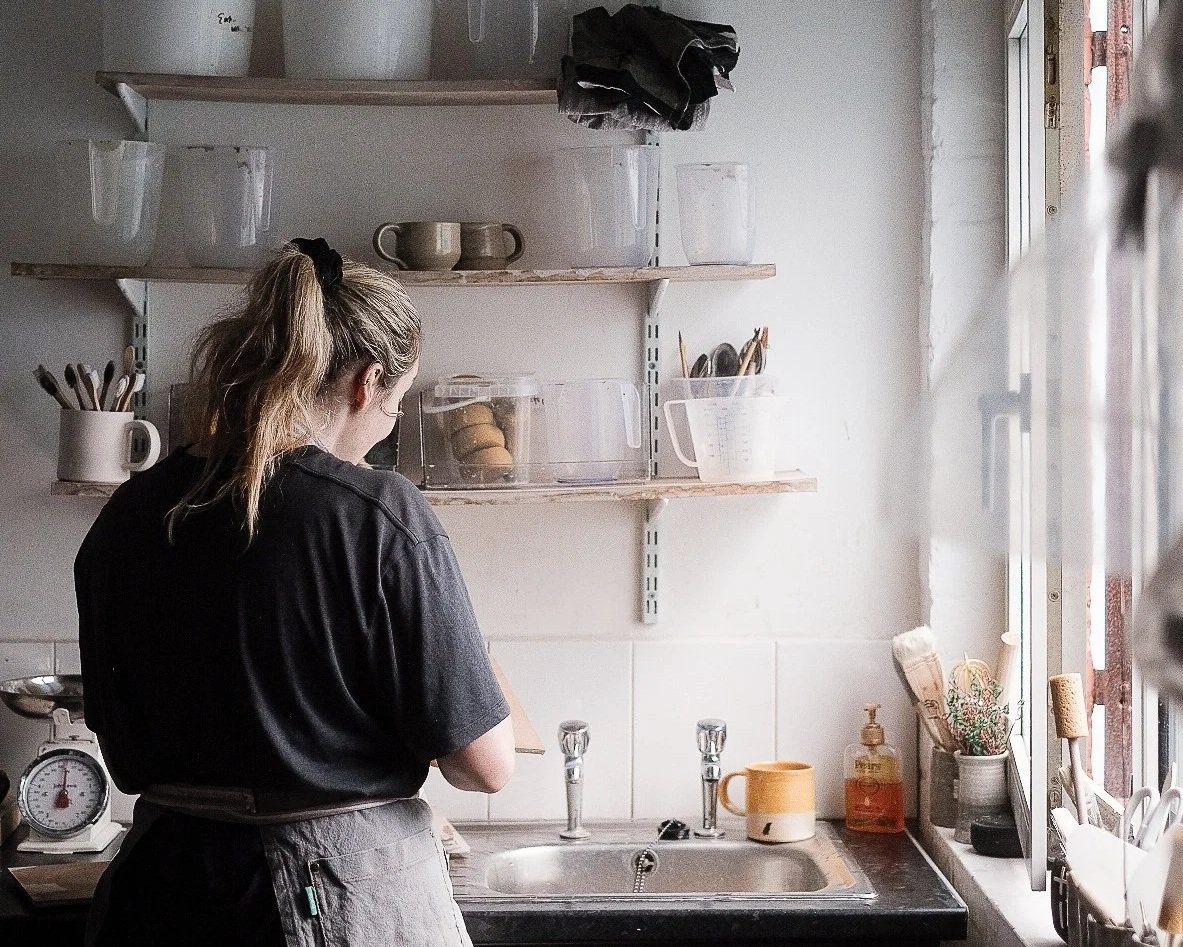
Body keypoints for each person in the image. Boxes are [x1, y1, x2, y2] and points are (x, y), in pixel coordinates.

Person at [75, 238, 515, 947]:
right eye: (395, 406)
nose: (382, 429)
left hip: (160, 893)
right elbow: (484, 764)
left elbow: (115, 728)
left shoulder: (127, 515)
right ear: (366, 383)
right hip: (340, 897)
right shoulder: (377, 514)